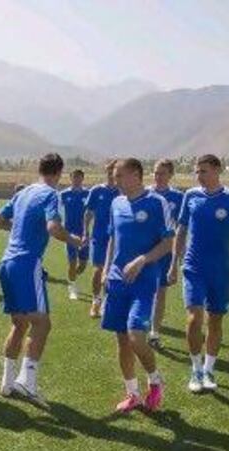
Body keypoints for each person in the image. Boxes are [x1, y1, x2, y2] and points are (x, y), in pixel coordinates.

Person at [0, 153, 83, 403]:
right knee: (42, 324)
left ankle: (7, 383)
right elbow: (54, 228)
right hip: (26, 264)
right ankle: (28, 384)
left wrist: (22, 228)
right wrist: (74, 239)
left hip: (7, 263)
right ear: (59, 172)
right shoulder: (50, 194)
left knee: (20, 324)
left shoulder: (24, 192)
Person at [168, 154, 229, 393]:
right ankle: (195, 370)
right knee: (194, 319)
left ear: (217, 170)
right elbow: (181, 231)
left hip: (220, 269)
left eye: (203, 171)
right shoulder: (191, 196)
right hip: (193, 267)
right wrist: (173, 263)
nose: (199, 176)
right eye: (197, 172)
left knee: (215, 320)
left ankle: (208, 370)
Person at [102, 158, 173, 412]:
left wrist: (143, 260)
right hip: (116, 281)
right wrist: (106, 270)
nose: (115, 181)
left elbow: (168, 243)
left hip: (144, 281)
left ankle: (155, 381)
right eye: (114, 176)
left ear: (135, 175)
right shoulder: (116, 202)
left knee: (135, 336)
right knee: (122, 341)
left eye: (119, 176)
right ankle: (132, 394)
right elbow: (113, 238)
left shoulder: (157, 202)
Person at [147, 159, 184, 346]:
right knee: (141, 291)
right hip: (142, 251)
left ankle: (154, 333)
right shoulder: (144, 194)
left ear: (170, 175)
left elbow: (180, 231)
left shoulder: (178, 198)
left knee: (160, 293)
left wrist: (177, 262)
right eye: (155, 172)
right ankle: (136, 327)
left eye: (162, 173)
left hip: (164, 253)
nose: (158, 176)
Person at [83, 160, 120, 318]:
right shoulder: (97, 190)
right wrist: (85, 232)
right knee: (98, 269)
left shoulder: (123, 192)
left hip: (119, 238)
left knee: (113, 271)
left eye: (115, 171)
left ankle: (106, 301)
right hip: (99, 236)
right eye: (109, 171)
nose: (111, 174)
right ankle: (95, 300)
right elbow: (88, 213)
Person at [60, 169, 90, 300]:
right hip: (69, 234)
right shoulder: (64, 194)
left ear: (82, 179)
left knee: (82, 265)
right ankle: (72, 287)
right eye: (74, 177)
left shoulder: (88, 194)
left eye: (79, 177)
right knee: (72, 262)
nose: (76, 180)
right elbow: (55, 210)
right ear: (70, 178)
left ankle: (72, 277)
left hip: (84, 233)